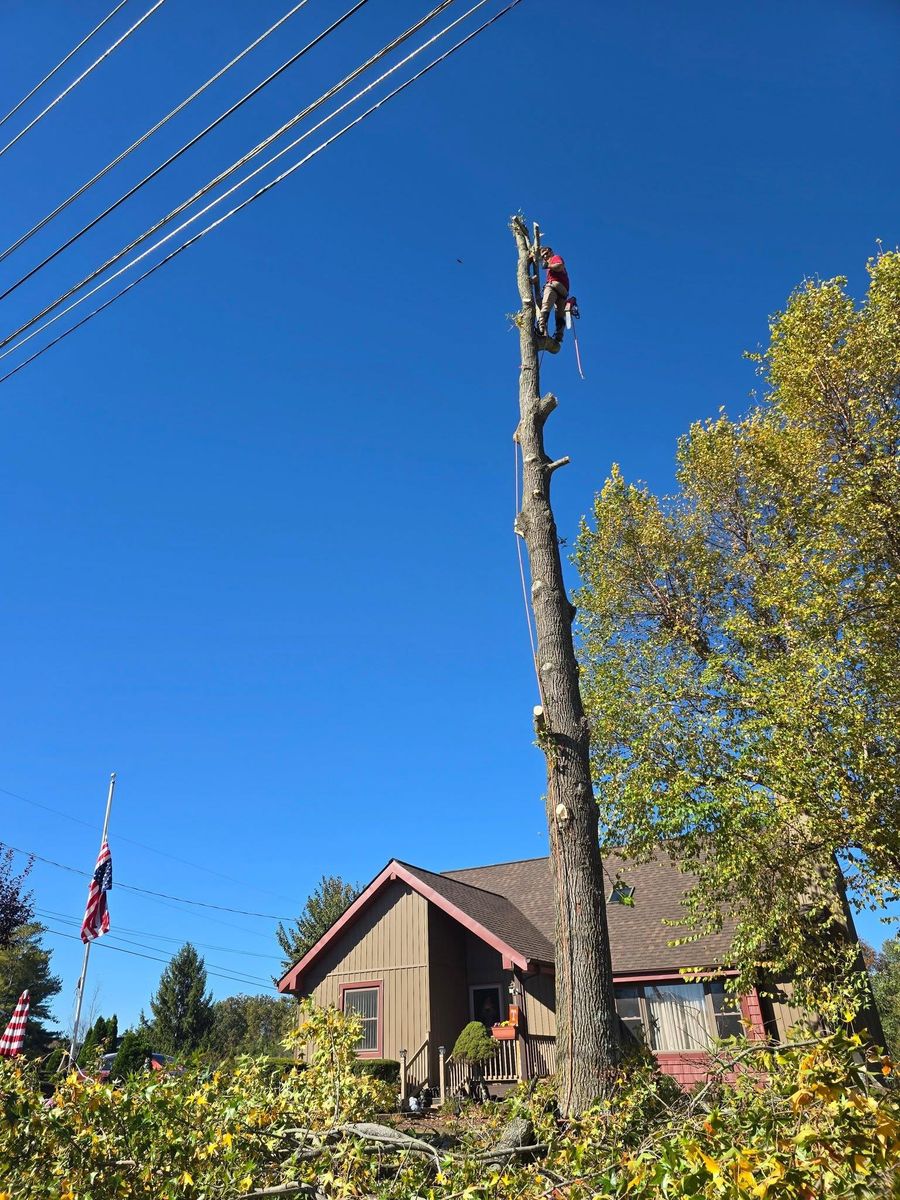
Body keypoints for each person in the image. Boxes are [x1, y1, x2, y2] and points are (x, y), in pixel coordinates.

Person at [537, 245, 569, 342]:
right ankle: (559, 336)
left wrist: (548, 265)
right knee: (560, 314)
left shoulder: (555, 258)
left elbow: (560, 266)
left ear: (550, 252)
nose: (545, 257)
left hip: (554, 285)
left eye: (546, 254)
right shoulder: (550, 263)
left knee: (545, 305)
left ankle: (541, 328)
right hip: (563, 292)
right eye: (543, 256)